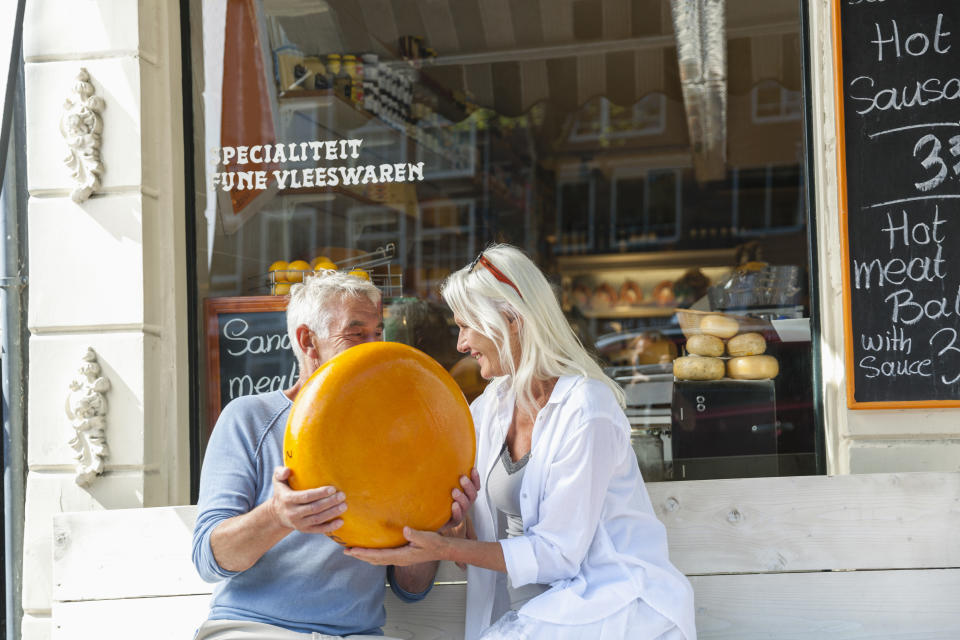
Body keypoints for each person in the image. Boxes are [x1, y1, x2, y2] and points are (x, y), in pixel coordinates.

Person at [346, 244, 696, 640]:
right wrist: (451, 525)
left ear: (511, 318)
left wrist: (443, 549)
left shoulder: (586, 407)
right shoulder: (490, 407)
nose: (461, 344)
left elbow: (558, 555)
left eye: (466, 326)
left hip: (612, 607)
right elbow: (477, 550)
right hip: (534, 616)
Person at [192, 271, 478, 639]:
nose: (374, 346)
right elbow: (209, 559)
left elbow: (411, 587)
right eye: (357, 334)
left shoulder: (400, 433)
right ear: (308, 340)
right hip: (254, 628)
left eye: (379, 334)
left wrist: (437, 527)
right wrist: (278, 516)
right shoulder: (249, 417)